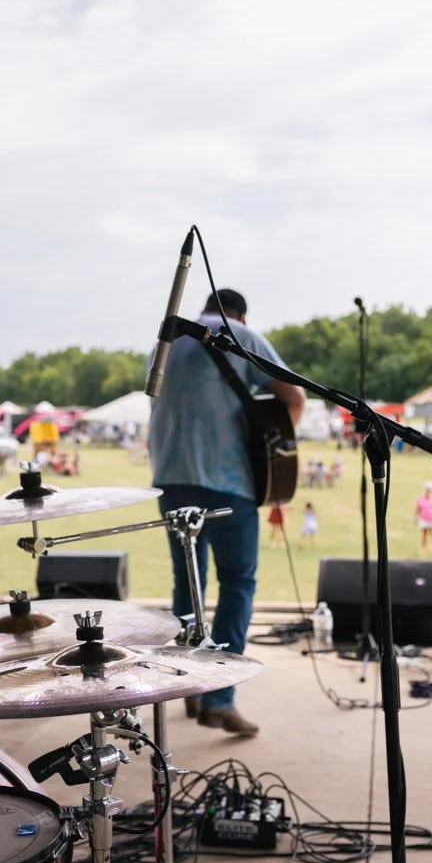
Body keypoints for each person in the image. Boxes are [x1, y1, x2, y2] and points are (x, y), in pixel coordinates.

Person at [149, 289, 304, 736]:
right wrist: (274, 449)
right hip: (228, 483)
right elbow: (292, 397)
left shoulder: (165, 340)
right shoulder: (242, 335)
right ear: (240, 314)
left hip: (170, 480)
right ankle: (219, 695)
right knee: (237, 583)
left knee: (189, 586)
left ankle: (188, 689)